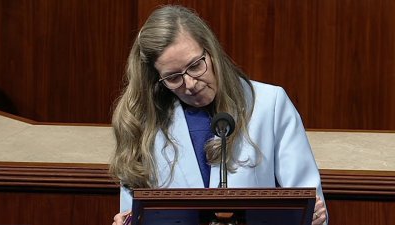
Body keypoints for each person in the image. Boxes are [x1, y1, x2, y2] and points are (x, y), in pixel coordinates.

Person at [110, 4, 327, 225]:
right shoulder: (143, 123)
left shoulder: (270, 104)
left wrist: (314, 217)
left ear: (211, 51)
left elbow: (310, 206)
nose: (190, 84)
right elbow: (133, 213)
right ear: (157, 79)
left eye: (195, 65)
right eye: (174, 77)